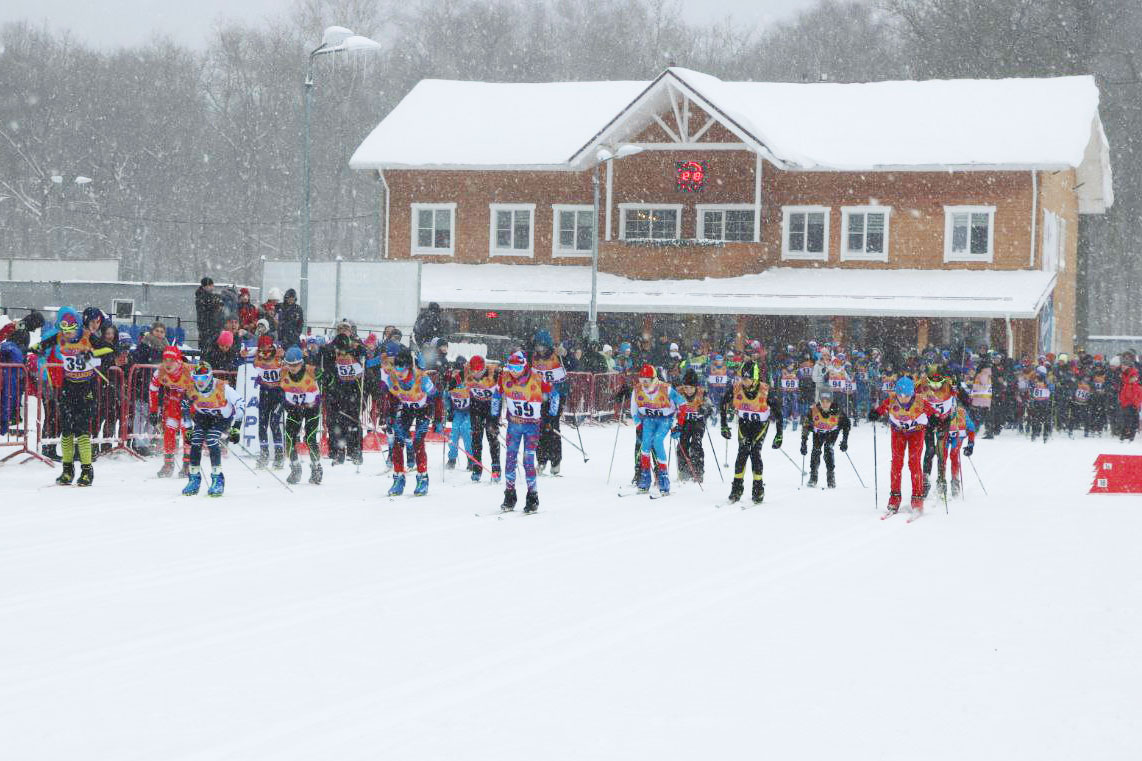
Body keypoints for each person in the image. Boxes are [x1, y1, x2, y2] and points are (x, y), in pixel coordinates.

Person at [38, 307, 112, 486]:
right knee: (66, 432)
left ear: (77, 327)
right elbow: (41, 346)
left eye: (71, 330)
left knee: (82, 432)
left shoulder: (88, 337)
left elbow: (110, 350)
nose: (68, 334)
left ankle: (87, 471)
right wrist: (34, 349)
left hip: (86, 390)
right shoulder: (59, 337)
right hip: (68, 388)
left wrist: (92, 354)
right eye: (64, 330)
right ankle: (67, 470)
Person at [499, 350, 556, 512]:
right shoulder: (505, 378)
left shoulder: (537, 378)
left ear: (525, 366)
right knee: (510, 460)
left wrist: (550, 417)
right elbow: (496, 396)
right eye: (511, 368)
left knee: (528, 461)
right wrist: (493, 417)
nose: (514, 372)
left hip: (532, 427)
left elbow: (554, 395)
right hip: (514, 425)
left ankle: (532, 497)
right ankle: (510, 495)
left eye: (517, 368)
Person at [720, 360, 783, 504]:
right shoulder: (737, 388)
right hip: (744, 423)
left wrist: (779, 435)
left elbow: (778, 413)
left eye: (747, 379)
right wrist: (723, 425)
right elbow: (723, 402)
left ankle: (758, 489)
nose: (744, 382)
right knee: (742, 453)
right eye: (743, 378)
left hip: (760, 425)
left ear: (755, 379)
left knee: (755, 452)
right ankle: (737, 489)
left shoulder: (765, 391)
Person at [869, 376, 933, 516]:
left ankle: (917, 499)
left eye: (907, 396)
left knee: (914, 463)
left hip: (916, 432)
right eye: (900, 395)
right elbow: (881, 409)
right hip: (898, 432)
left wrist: (935, 419)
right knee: (896, 463)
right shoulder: (892, 400)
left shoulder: (920, 401)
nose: (903, 399)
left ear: (912, 394)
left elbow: (933, 412)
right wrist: (875, 413)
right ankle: (894, 498)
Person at [181, 360, 244, 497]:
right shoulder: (191, 389)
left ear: (209, 376)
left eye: (203, 378)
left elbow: (240, 403)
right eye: (196, 378)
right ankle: (194, 479)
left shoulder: (222, 387)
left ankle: (217, 479)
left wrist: (236, 427)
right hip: (203, 417)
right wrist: (189, 429)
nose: (200, 382)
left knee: (211, 440)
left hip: (221, 418)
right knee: (195, 441)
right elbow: (185, 408)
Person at [386, 348, 441, 496]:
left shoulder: (421, 379)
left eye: (402, 370)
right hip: (407, 409)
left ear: (409, 367)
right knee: (398, 440)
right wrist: (390, 415)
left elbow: (436, 397)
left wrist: (438, 419)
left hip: (423, 409)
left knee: (418, 441)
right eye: (396, 369)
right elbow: (391, 397)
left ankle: (422, 478)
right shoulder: (392, 378)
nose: (399, 373)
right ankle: (398, 478)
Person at [321, 330, 366, 465]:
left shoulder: (354, 353)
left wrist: (360, 351)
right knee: (335, 423)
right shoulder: (331, 354)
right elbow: (326, 369)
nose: (340, 353)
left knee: (352, 423)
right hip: (337, 393)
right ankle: (338, 451)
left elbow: (364, 361)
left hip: (352, 393)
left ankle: (355, 451)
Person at [280, 346, 323, 485]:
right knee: (289, 438)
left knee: (310, 439)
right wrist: (283, 403)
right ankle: (295, 468)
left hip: (312, 409)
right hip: (294, 409)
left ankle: (316, 468)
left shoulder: (310, 371)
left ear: (301, 363)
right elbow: (280, 389)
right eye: (289, 364)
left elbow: (328, 377)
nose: (292, 368)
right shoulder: (284, 372)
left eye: (295, 365)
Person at [530, 330, 566, 476]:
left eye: (542, 347)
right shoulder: (533, 356)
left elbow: (573, 364)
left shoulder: (556, 355)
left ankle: (555, 461)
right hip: (540, 395)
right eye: (538, 346)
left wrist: (566, 354)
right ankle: (541, 459)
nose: (540, 350)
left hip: (556, 395)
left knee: (552, 426)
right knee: (539, 428)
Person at [799, 389, 850, 488]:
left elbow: (847, 425)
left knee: (828, 449)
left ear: (831, 401)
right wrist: (803, 443)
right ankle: (813, 476)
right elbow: (805, 426)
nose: (825, 404)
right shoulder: (814, 410)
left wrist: (844, 441)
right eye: (823, 401)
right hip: (818, 433)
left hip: (832, 433)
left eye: (827, 402)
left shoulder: (837, 410)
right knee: (816, 450)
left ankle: (830, 477)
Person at [465, 355, 502, 482]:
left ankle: (496, 468)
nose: (476, 374)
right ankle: (476, 468)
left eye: (479, 371)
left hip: (492, 406)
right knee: (476, 438)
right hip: (476, 406)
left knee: (492, 437)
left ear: (484, 368)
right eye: (473, 371)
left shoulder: (494, 373)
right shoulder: (467, 371)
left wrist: (496, 417)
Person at [251, 335, 286, 468]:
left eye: (267, 346)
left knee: (274, 423)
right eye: (262, 346)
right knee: (262, 424)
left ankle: (279, 456)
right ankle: (264, 454)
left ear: (271, 345)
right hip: (265, 393)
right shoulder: (258, 357)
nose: (264, 349)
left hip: (278, 394)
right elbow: (247, 355)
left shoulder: (279, 355)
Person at [674, 368, 709, 483]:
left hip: (697, 422)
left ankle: (698, 471)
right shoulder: (678, 392)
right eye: (686, 387)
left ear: (696, 387)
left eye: (691, 388)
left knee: (696, 444)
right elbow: (670, 404)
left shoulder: (702, 393)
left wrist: (705, 409)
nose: (688, 391)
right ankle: (684, 471)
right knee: (682, 444)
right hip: (683, 422)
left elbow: (711, 407)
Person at [444, 358, 472, 469]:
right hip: (458, 411)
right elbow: (447, 397)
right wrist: (449, 410)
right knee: (454, 431)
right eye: (454, 371)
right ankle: (452, 459)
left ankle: (471, 459)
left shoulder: (469, 379)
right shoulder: (453, 381)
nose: (456, 374)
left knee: (466, 430)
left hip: (470, 411)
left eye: (458, 371)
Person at [943, 404, 976, 497]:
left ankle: (955, 484)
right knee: (943, 457)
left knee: (953, 456)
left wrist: (970, 445)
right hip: (945, 435)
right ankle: (941, 482)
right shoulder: (942, 409)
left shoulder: (961, 411)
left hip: (958, 436)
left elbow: (971, 428)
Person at [195, 277, 225, 350]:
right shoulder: (203, 298)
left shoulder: (202, 297)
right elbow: (211, 307)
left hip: (208, 328)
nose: (212, 288)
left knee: (208, 348)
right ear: (205, 286)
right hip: (209, 327)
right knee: (209, 348)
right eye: (211, 286)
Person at [1118, 366, 1141, 442]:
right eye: (1133, 378)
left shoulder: (1138, 386)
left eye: (1135, 377)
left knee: (1135, 421)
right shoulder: (1126, 386)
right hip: (1127, 406)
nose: (1134, 379)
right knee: (1127, 421)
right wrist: (1126, 403)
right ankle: (1124, 435)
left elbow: (1140, 396)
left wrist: (1136, 403)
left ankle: (1131, 435)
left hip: (1135, 406)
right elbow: (1123, 396)